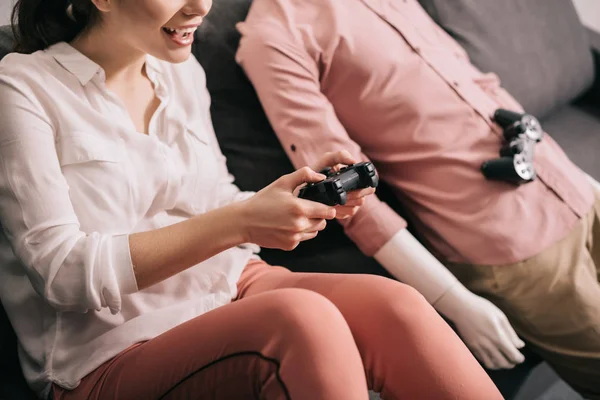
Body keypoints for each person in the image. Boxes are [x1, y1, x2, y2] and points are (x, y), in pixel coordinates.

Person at [0, 0, 505, 399]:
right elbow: (63, 274)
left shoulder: (180, 70)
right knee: (302, 322)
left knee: (395, 306)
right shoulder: (23, 89)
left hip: (228, 284)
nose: (201, 6)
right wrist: (241, 223)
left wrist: (287, 200)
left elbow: (216, 198)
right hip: (109, 348)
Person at [235, 0, 600, 397]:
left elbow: (479, 87)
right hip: (517, 250)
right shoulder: (274, 37)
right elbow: (347, 197)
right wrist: (454, 301)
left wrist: (576, 179)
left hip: (574, 191)